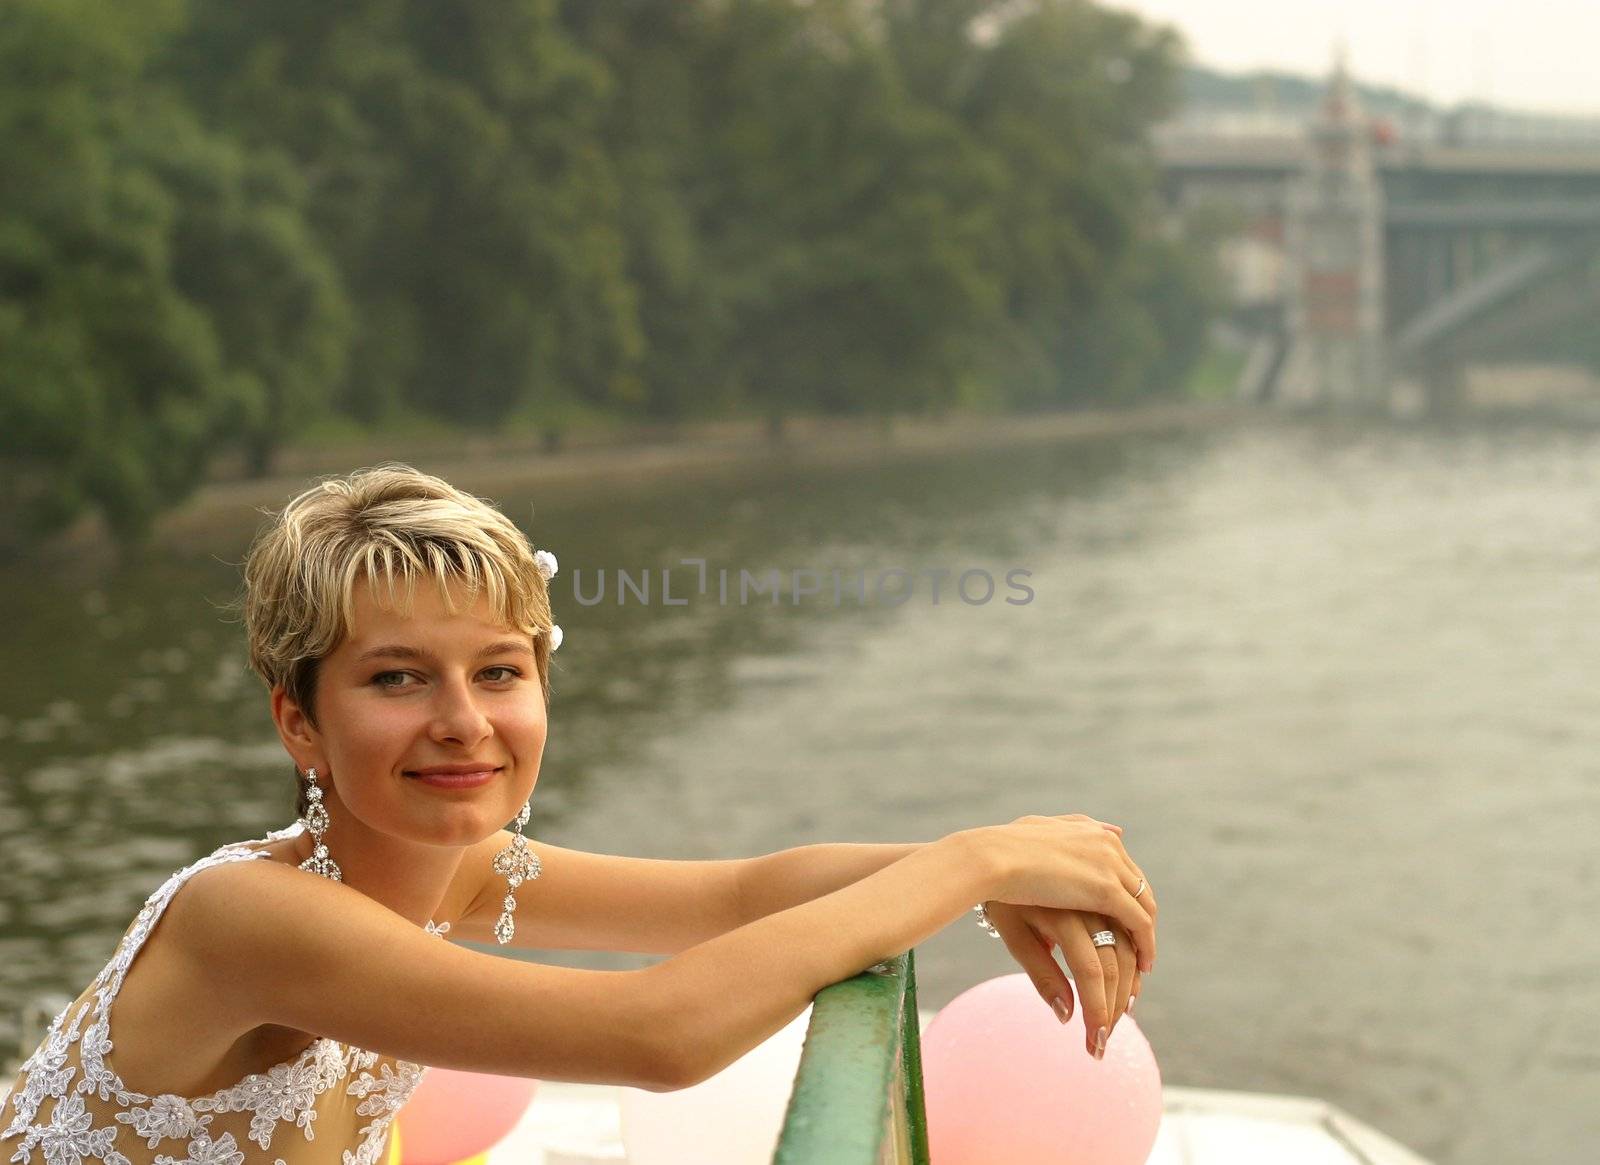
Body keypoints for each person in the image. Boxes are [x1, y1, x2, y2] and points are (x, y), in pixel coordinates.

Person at [0, 464, 1158, 1165]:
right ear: (298, 721)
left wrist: (1008, 869)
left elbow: (737, 897)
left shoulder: (442, 871)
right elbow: (650, 1036)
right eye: (397, 678)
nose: (464, 722)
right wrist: (972, 861)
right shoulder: (247, 915)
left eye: (499, 671)